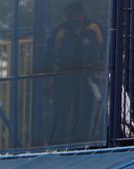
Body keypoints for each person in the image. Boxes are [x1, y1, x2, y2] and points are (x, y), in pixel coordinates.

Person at [45, 3, 105, 145]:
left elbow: (105, 51)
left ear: (81, 13)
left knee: (87, 110)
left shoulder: (95, 28)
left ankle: (84, 143)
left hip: (89, 79)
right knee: (63, 111)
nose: (72, 18)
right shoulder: (60, 31)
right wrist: (49, 79)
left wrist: (101, 69)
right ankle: (58, 144)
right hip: (66, 78)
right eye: (69, 15)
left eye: (74, 14)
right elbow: (49, 56)